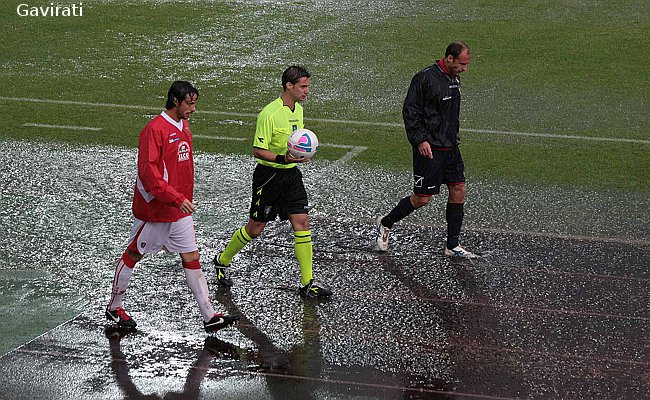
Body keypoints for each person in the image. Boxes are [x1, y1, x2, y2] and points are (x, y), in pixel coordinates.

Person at [105, 81, 239, 332]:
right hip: (157, 211)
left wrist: (181, 201)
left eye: (195, 103)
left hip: (178, 211)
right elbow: (148, 174)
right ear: (175, 101)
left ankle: (209, 316)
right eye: (189, 103)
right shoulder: (154, 130)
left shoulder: (184, 126)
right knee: (134, 254)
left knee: (191, 257)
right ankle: (114, 308)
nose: (194, 109)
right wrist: (175, 198)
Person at [213, 65, 332, 299]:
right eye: (303, 87)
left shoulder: (297, 110)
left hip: (291, 175)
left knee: (302, 222)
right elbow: (258, 150)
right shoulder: (269, 114)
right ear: (289, 85)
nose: (307, 91)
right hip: (268, 177)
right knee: (255, 229)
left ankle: (307, 283)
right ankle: (222, 260)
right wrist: (282, 158)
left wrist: (297, 157)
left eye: (308, 86)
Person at [374, 42, 478, 258]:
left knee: (459, 188)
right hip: (429, 148)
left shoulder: (454, 77)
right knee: (422, 199)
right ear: (449, 58)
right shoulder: (425, 78)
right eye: (461, 64)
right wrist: (420, 140)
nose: (465, 69)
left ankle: (452, 245)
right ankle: (385, 223)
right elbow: (410, 111)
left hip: (450, 145)